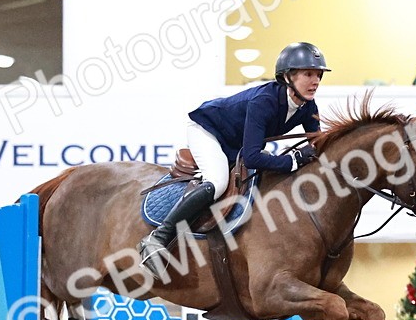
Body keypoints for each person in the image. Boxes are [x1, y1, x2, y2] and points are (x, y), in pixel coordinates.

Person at [137, 41, 329, 276]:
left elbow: (317, 144)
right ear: (288, 76)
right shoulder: (264, 101)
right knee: (218, 182)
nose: (315, 81)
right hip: (208, 130)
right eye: (308, 74)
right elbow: (252, 158)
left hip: (235, 142)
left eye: (318, 75)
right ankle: (158, 238)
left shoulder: (308, 106)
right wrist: (292, 161)